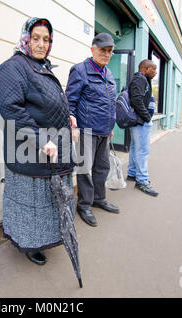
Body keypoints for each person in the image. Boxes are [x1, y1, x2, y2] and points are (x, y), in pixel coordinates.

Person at [0, 18, 76, 266]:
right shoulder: (13, 68)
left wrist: (68, 115)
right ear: (25, 38)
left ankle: (45, 237)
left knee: (49, 202)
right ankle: (29, 244)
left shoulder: (41, 67)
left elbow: (50, 101)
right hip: (30, 153)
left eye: (46, 39)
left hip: (53, 149)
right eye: (36, 38)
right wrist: (40, 139)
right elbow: (11, 109)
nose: (41, 44)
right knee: (31, 204)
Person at [65, 33, 120, 228]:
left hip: (104, 130)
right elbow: (69, 101)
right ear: (92, 49)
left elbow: (110, 103)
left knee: (102, 167)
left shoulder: (109, 74)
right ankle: (84, 205)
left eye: (109, 51)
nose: (106, 54)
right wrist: (74, 125)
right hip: (86, 130)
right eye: (102, 50)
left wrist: (110, 125)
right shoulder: (80, 70)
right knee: (84, 169)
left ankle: (99, 198)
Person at [126, 60, 159, 197]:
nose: (156, 72)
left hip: (139, 122)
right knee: (142, 151)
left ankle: (132, 173)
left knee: (135, 148)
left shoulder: (142, 79)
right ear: (146, 69)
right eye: (154, 69)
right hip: (140, 122)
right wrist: (147, 117)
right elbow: (136, 100)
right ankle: (142, 181)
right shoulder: (139, 79)